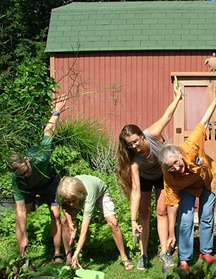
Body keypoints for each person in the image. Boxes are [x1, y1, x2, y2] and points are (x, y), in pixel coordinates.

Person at [116, 84, 183, 270]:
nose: (134, 146)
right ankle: (143, 255)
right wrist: (132, 220)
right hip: (145, 178)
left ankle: (164, 252)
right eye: (130, 145)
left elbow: (167, 116)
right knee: (144, 213)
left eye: (136, 141)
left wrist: (178, 98)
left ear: (142, 136)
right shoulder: (134, 160)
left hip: (162, 173)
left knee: (161, 210)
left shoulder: (152, 134)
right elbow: (136, 191)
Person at [158, 81, 216, 271]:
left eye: (176, 163)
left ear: (179, 155)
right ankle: (184, 259)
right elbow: (172, 206)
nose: (176, 168)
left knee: (207, 216)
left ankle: (206, 251)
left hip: (207, 179)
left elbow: (203, 121)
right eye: (170, 167)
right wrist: (171, 233)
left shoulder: (190, 146)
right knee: (185, 220)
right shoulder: (170, 178)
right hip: (186, 187)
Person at [8, 96, 67, 263]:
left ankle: (57, 254)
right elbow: (20, 211)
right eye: (21, 174)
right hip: (30, 189)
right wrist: (25, 236)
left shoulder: (41, 155)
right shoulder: (18, 180)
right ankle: (23, 256)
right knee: (20, 217)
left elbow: (48, 131)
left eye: (25, 171)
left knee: (56, 214)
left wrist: (56, 111)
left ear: (26, 160)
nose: (25, 174)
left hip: (49, 183)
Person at [57, 175, 133, 270]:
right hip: (78, 196)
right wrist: (70, 222)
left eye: (73, 201)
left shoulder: (89, 195)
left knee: (113, 223)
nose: (71, 204)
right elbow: (64, 206)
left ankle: (124, 257)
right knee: (64, 221)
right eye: (69, 201)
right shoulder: (62, 191)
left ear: (79, 194)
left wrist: (77, 253)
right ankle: (69, 261)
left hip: (100, 193)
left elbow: (84, 229)